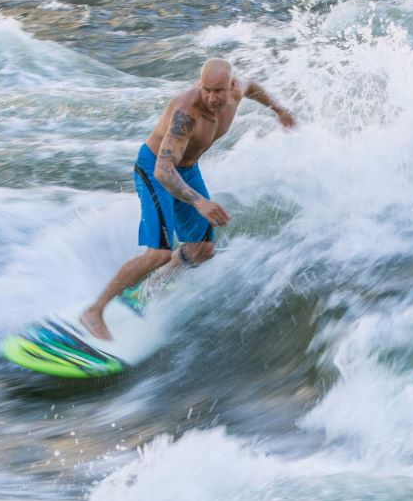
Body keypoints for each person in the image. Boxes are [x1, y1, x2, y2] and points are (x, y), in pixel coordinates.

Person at [78, 58, 296, 340]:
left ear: (231, 87)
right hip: (155, 168)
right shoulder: (187, 113)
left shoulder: (238, 90)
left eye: (219, 91)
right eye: (207, 90)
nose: (211, 98)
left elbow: (253, 85)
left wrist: (279, 110)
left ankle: (151, 288)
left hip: (187, 169)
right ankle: (94, 311)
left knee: (202, 249)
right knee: (158, 253)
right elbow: (163, 171)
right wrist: (200, 202)